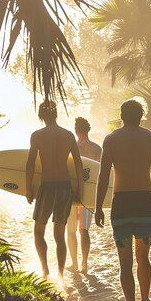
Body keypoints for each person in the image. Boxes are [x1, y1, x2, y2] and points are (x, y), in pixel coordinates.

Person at [95, 99, 151, 301]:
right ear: (141, 115)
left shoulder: (111, 139)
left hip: (122, 204)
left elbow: (103, 175)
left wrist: (98, 206)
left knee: (125, 263)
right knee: (143, 257)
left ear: (121, 115)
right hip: (144, 201)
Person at [26, 102, 83, 281]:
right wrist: (79, 189)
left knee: (38, 232)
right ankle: (60, 273)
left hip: (47, 186)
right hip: (65, 186)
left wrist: (28, 187)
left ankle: (45, 270)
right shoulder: (68, 135)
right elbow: (79, 163)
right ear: (56, 114)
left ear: (41, 116)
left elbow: (30, 163)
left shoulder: (37, 136)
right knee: (60, 235)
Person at [66, 117, 102, 274]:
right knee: (84, 230)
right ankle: (84, 263)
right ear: (88, 130)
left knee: (71, 230)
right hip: (88, 194)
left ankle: (74, 263)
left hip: (71, 192)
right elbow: (99, 174)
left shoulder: (69, 148)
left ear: (76, 130)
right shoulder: (97, 149)